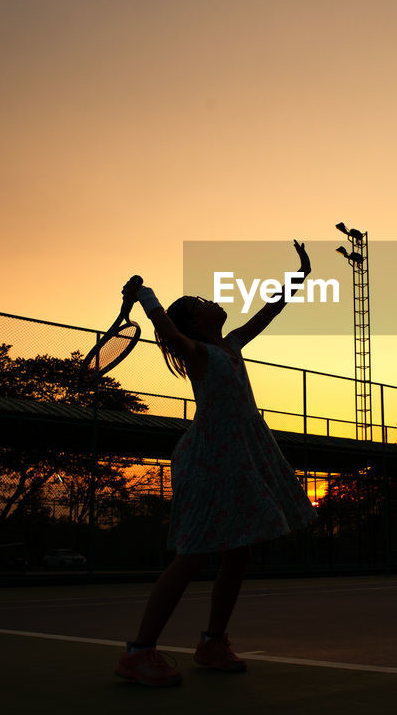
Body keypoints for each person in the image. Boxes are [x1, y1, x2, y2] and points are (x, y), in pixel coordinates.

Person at [114, 240, 319, 688]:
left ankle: (212, 642)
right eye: (204, 302)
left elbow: (270, 310)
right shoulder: (197, 352)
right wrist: (147, 296)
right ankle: (139, 651)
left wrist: (300, 275)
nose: (214, 301)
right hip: (208, 459)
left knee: (239, 552)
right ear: (192, 321)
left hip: (240, 455)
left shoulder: (231, 345)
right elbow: (167, 333)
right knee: (191, 555)